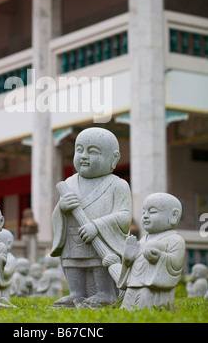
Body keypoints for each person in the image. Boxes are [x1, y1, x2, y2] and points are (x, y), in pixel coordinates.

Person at [51, 127, 132, 308]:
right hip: (73, 237)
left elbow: (125, 216)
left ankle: (105, 293)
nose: (84, 156)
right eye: (79, 150)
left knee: (99, 263)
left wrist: (97, 226)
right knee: (72, 263)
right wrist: (61, 208)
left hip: (100, 239)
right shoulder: (69, 183)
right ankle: (76, 293)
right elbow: (57, 215)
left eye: (92, 152)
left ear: (114, 158)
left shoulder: (118, 185)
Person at [116, 192, 186, 310]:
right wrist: (128, 260)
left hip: (152, 289)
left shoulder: (176, 239)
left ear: (174, 215)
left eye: (152, 212)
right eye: (143, 212)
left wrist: (159, 257)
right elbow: (134, 264)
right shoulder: (143, 239)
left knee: (145, 301)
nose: (146, 216)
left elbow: (176, 265)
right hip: (134, 284)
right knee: (127, 306)